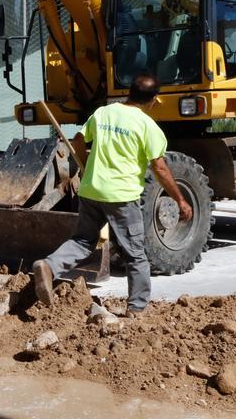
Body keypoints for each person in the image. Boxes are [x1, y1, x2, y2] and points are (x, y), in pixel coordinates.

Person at [32, 72, 193, 316]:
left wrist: (85, 166)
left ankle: (48, 266)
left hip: (91, 189)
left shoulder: (103, 113)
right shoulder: (148, 126)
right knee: (135, 254)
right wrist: (180, 199)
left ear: (129, 94)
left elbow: (77, 140)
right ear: (152, 100)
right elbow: (159, 167)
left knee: (82, 241)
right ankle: (137, 309)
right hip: (121, 197)